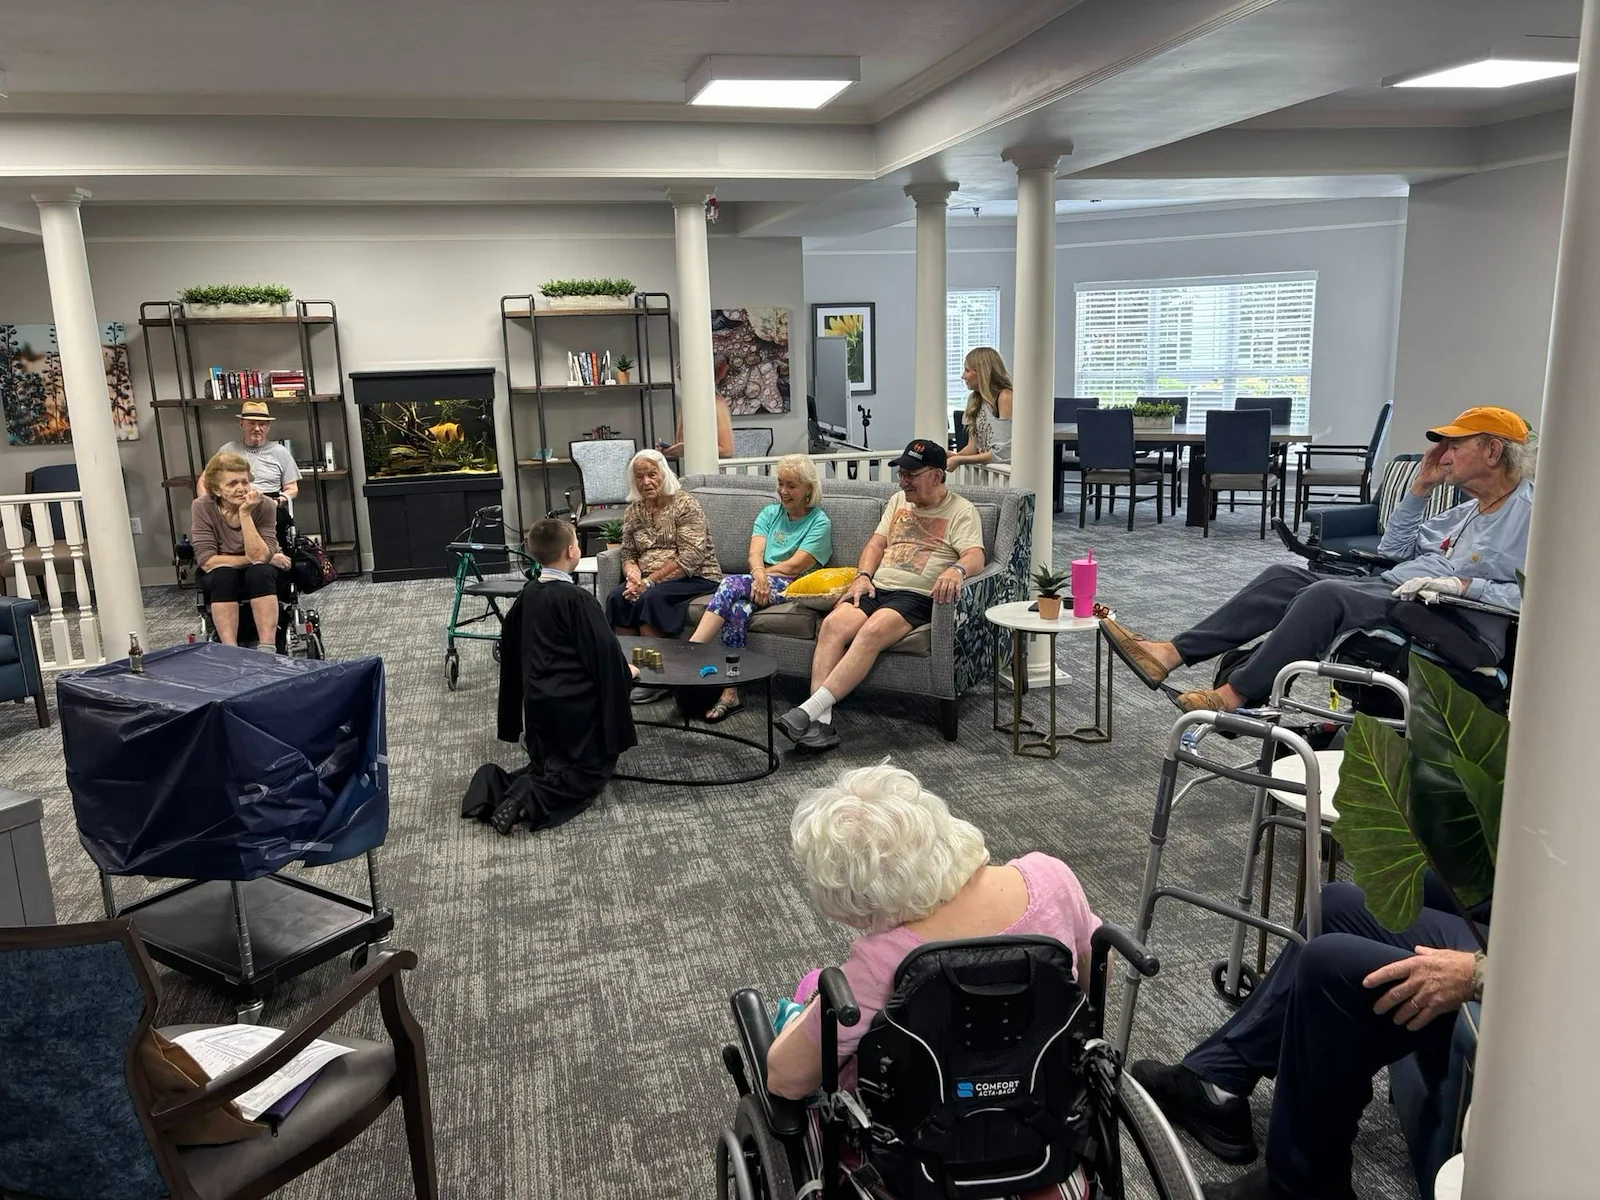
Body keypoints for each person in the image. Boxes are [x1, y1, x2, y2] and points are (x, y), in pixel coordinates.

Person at [1101, 405, 1536, 712]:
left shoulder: (1533, 516)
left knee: (1327, 596)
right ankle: (1170, 653)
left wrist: (1466, 586)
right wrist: (1420, 489)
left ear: (1493, 452)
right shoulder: (1464, 511)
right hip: (1399, 594)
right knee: (1283, 577)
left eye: (1455, 446)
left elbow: (1539, 601)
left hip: (1454, 626)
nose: (1444, 455)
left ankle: (1235, 695)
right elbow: (1393, 552)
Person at [766, 761, 1100, 1106]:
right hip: (1049, 1099)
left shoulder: (880, 964)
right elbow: (1091, 987)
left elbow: (785, 1079)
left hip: (932, 1119)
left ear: (856, 895)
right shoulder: (1052, 879)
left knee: (816, 988)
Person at [1130, 879, 1487, 1200]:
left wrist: (1475, 972)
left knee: (1327, 964)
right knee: (1333, 904)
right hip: (1507, 929)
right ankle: (1220, 1077)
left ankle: (1299, 1187)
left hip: (1512, 973)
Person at [775, 439, 984, 752]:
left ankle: (807, 711)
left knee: (871, 631)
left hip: (915, 595)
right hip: (876, 585)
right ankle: (822, 725)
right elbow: (875, 544)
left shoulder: (961, 511)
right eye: (902, 474)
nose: (903, 481)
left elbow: (975, 555)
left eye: (911, 475)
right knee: (832, 626)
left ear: (937, 476)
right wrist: (863, 576)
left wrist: (956, 570)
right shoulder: (898, 500)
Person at [478, 518, 639, 836]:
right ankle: (527, 795)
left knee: (547, 764)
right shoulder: (578, 599)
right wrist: (626, 671)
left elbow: (510, 646)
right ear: (571, 551)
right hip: (575, 709)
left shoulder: (528, 593)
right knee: (590, 774)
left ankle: (500, 789)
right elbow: (603, 653)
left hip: (537, 704)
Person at [687, 454, 832, 722]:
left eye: (791, 485)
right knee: (738, 611)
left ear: (808, 489)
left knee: (730, 582)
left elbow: (795, 566)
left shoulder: (819, 522)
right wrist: (759, 576)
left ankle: (692, 649)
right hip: (759, 578)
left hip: (793, 585)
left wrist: (760, 576)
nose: (783, 491)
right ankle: (731, 692)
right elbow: (755, 553)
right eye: (780, 483)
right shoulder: (769, 513)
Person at [605, 450, 722, 702]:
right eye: (640, 477)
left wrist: (649, 582)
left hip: (695, 575)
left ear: (664, 474)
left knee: (652, 598)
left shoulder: (685, 504)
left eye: (652, 474)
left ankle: (657, 677)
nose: (646, 481)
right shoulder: (634, 510)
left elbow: (691, 556)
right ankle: (629, 671)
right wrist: (633, 576)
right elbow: (628, 553)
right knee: (618, 598)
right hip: (647, 578)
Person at [189, 452, 287, 648]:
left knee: (260, 572)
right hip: (220, 574)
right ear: (216, 490)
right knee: (223, 575)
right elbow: (208, 561)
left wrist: (245, 513)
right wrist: (268, 558)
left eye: (245, 482)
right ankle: (230, 651)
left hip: (261, 572)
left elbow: (259, 558)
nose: (241, 489)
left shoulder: (265, 505)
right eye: (232, 484)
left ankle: (268, 648)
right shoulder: (202, 507)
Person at [197, 400, 300, 504]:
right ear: (242, 424)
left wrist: (277, 501)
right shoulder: (228, 450)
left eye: (262, 424)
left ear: (268, 427)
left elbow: (292, 489)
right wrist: (209, 506)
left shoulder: (281, 452)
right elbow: (204, 480)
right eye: (251, 423)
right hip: (234, 506)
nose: (257, 428)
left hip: (269, 504)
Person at [946, 346, 1013, 469]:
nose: (963, 376)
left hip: (1004, 473)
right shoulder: (974, 400)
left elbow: (1004, 453)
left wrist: (960, 459)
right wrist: (954, 456)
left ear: (982, 372)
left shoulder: (1005, 397)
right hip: (986, 474)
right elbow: (972, 448)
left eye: (967, 370)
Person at [657, 394, 735, 459]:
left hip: (712, 470)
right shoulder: (688, 404)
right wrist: (671, 450)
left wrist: (689, 449)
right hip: (693, 468)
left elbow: (727, 451)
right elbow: (684, 445)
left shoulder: (716, 404)